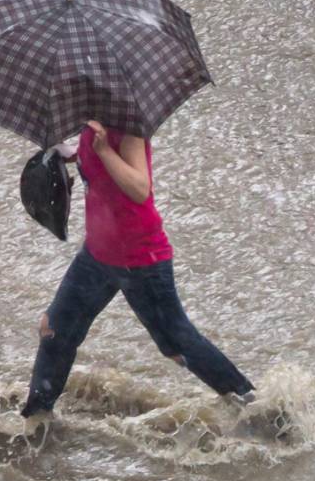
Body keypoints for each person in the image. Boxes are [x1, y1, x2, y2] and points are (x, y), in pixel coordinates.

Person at [20, 120, 254, 420]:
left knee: (175, 344)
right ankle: (37, 420)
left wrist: (105, 152)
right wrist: (65, 152)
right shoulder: (91, 122)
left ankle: (251, 405)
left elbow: (139, 188)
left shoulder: (128, 125)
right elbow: (87, 154)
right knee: (54, 330)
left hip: (141, 259)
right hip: (97, 255)